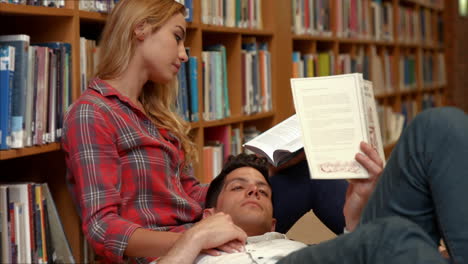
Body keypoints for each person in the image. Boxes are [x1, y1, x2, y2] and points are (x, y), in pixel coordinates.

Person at [61, 0, 382, 263]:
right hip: (173, 246)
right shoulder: (94, 112)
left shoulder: (155, 116)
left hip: (207, 223)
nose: (184, 54)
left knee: (309, 168)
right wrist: (193, 239)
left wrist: (247, 178)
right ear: (141, 29)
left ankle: (378, 238)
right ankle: (383, 241)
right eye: (177, 36)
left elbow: (190, 193)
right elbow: (102, 227)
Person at [158, 106, 467, 264]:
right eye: (238, 187)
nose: (254, 190)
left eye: (263, 191)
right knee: (395, 237)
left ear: (275, 222)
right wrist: (193, 238)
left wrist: (356, 213)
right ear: (209, 215)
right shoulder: (193, 254)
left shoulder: (296, 246)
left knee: (439, 125)